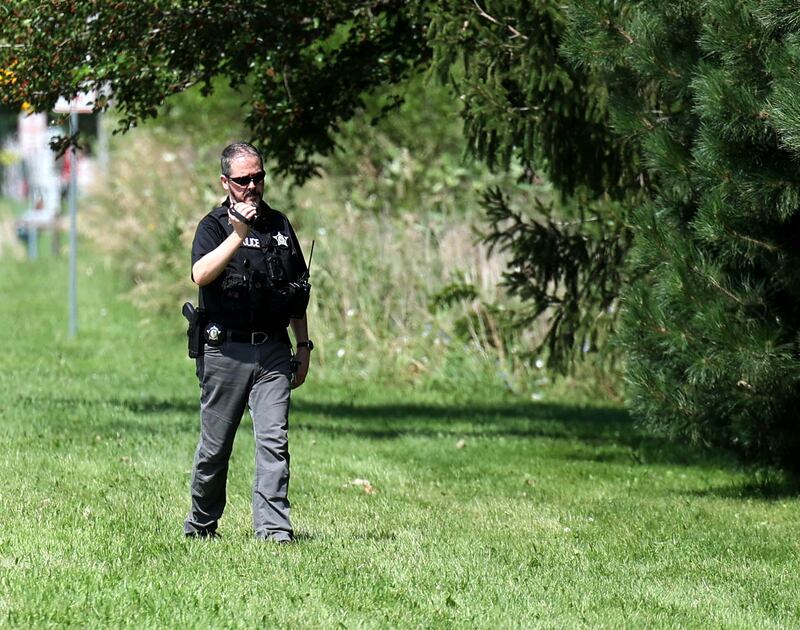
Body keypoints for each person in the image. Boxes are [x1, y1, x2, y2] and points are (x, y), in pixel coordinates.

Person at [184, 142, 313, 542]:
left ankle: (274, 532)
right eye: (242, 180)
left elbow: (296, 292)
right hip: (226, 351)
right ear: (226, 182)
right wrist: (238, 234)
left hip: (273, 350)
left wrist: (304, 346)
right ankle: (202, 525)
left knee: (275, 443)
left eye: (258, 177)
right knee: (215, 449)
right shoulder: (214, 225)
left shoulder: (279, 225)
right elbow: (201, 275)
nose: (252, 186)